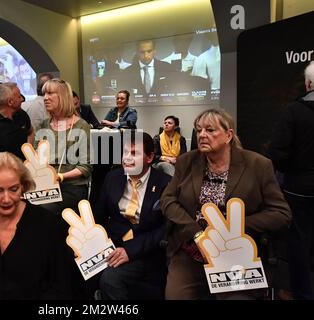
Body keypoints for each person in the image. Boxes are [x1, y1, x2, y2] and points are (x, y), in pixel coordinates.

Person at [161, 108, 291, 300]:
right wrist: (196, 233)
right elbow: (167, 200)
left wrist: (232, 227)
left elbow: (281, 213)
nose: (202, 135)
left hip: (235, 253)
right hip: (192, 250)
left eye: (210, 130)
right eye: (199, 131)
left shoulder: (258, 165)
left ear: (228, 135)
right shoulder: (187, 161)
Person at [0, 152, 68, 299]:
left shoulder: (49, 225)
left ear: (23, 186)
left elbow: (63, 285)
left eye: (14, 189)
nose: (7, 199)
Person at [98, 132, 171, 300]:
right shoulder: (112, 177)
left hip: (146, 250)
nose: (127, 158)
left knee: (110, 279)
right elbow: (99, 216)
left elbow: (166, 227)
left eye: (134, 153)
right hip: (113, 245)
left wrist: (130, 251)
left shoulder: (165, 183)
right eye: (124, 152)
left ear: (150, 157)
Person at [268, 61, 314, 300]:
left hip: (299, 189)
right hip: (300, 187)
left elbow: (277, 154)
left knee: (299, 245)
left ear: (308, 84)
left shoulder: (293, 112)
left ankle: (303, 293)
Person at [36, 78, 92, 214]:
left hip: (71, 187)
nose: (45, 98)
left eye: (50, 93)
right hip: (46, 186)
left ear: (62, 97)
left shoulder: (81, 126)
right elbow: (36, 160)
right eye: (44, 94)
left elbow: (86, 167)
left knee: (42, 210)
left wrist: (60, 176)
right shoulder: (43, 125)